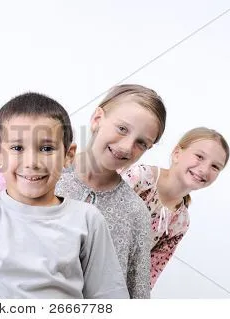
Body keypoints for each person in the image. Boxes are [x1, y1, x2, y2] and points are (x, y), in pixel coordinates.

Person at [0, 92, 129, 299]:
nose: (32, 162)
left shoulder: (88, 219)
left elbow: (108, 298)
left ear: (68, 155)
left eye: (46, 148)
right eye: (17, 148)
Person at [55, 84, 167, 298]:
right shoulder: (45, 178)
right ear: (97, 119)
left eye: (141, 143)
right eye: (122, 129)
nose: (126, 147)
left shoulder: (136, 213)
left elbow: (138, 294)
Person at [121, 127, 230, 287]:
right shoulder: (139, 178)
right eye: (199, 156)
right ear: (177, 153)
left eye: (215, 167)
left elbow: (150, 270)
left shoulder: (181, 221)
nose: (204, 169)